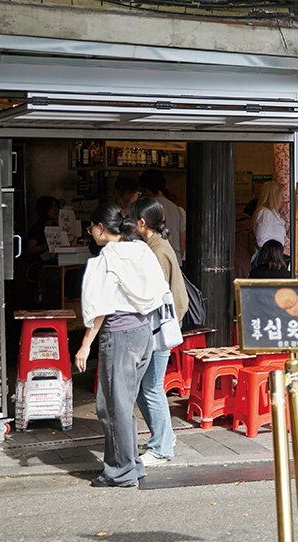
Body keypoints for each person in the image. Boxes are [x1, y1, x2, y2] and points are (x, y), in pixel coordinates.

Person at [75, 203, 169, 488]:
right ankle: (132, 464)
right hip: (143, 332)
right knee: (123, 402)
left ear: (101, 228)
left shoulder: (105, 260)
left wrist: (85, 345)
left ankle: (120, 471)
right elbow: (160, 289)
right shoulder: (141, 250)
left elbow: (99, 308)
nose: (91, 232)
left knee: (112, 405)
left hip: (119, 335)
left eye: (91, 227)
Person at [127, 197, 188, 467]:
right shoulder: (157, 246)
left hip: (159, 329)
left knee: (151, 387)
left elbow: (156, 296)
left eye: (133, 219)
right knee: (147, 387)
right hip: (160, 327)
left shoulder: (157, 251)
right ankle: (164, 437)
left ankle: (162, 447)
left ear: (142, 223)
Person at [139, 169, 185, 265]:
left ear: (146, 188)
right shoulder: (176, 208)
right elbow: (182, 238)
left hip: (155, 261)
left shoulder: (147, 209)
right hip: (175, 260)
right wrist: (178, 258)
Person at [253, 181, 288, 256]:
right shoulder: (265, 214)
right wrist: (283, 250)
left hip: (275, 258)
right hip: (270, 260)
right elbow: (261, 241)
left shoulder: (273, 214)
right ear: (274, 196)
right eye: (281, 195)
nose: (282, 198)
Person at [26, 196, 62, 260]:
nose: (56, 209)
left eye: (56, 206)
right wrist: (48, 244)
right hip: (40, 264)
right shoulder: (37, 228)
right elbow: (30, 250)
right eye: (51, 207)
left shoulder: (56, 226)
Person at [233, 199, 258, 279]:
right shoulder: (249, 226)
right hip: (244, 262)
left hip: (229, 260)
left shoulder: (233, 222)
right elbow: (252, 248)